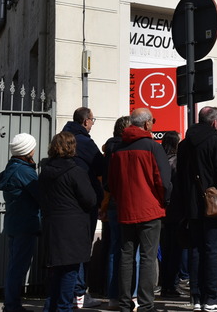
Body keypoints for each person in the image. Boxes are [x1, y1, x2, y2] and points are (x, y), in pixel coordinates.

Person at [171, 106, 217, 312]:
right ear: (215, 122)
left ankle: (198, 296)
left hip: (190, 207)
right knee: (215, 250)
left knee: (197, 251)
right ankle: (213, 297)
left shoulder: (184, 146)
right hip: (213, 207)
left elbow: (180, 178)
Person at [107, 108, 172, 312]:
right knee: (147, 257)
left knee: (126, 256)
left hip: (126, 210)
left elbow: (111, 183)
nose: (152, 123)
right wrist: (164, 201)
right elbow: (163, 181)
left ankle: (125, 303)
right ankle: (146, 304)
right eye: (152, 121)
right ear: (146, 124)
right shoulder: (153, 147)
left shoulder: (118, 149)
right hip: (150, 209)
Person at [40, 131, 99, 312]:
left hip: (52, 225)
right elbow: (90, 199)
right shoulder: (76, 172)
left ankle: (51, 307)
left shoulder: (45, 172)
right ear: (72, 147)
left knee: (56, 271)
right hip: (73, 228)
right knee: (70, 271)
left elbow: (41, 197)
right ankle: (64, 308)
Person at [62, 107, 105, 308]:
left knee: (66, 250)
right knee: (81, 249)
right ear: (86, 121)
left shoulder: (62, 138)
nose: (92, 124)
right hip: (82, 204)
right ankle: (79, 293)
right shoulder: (85, 143)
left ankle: (68, 293)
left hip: (62, 205)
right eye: (92, 120)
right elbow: (101, 167)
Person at [0, 132, 41, 312]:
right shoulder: (24, 172)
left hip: (14, 222)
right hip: (25, 223)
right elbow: (40, 194)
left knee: (15, 265)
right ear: (28, 150)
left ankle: (11, 303)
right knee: (19, 267)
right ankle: (12, 305)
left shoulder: (12, 168)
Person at [101, 116, 134, 310]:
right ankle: (130, 294)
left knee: (114, 249)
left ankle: (112, 296)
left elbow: (106, 179)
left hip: (112, 202)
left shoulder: (108, 150)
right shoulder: (124, 147)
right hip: (127, 202)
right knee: (131, 249)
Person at [158, 130, 185, 299]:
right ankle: (171, 284)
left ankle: (165, 284)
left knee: (165, 249)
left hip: (161, 210)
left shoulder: (159, 160)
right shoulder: (177, 162)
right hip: (175, 210)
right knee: (175, 249)